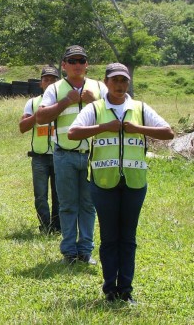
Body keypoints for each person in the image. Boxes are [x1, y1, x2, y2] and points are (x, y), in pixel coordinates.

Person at [68, 63, 174, 304]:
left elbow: (168, 132)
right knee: (108, 238)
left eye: (123, 81)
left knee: (128, 238)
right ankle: (109, 290)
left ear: (128, 83)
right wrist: (104, 127)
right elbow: (73, 133)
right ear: (106, 82)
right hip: (103, 183)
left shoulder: (140, 108)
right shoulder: (96, 108)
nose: (119, 85)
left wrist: (138, 129)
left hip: (134, 183)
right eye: (114, 80)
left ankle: (126, 290)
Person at [36, 45, 107, 265]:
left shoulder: (98, 87)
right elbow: (41, 117)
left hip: (92, 155)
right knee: (67, 204)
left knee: (88, 204)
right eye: (72, 61)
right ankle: (68, 251)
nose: (77, 65)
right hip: (64, 154)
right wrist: (67, 100)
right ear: (64, 65)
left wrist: (94, 101)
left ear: (87, 64)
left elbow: (113, 114)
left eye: (81, 61)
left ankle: (85, 251)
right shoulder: (55, 88)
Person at [19, 66, 61, 235]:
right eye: (46, 79)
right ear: (40, 83)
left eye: (53, 79)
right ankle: (45, 227)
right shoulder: (33, 103)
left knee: (59, 196)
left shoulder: (63, 102)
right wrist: (38, 115)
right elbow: (22, 127)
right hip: (39, 157)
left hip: (59, 154)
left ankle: (57, 228)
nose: (49, 82)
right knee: (40, 195)